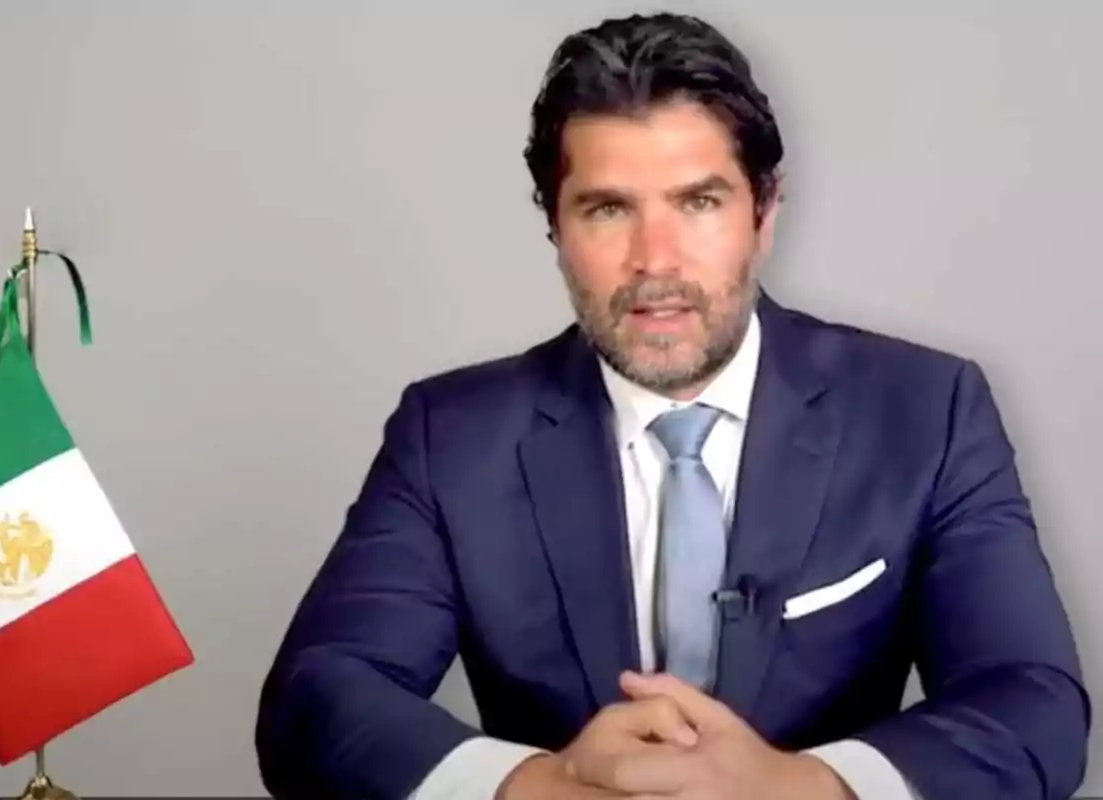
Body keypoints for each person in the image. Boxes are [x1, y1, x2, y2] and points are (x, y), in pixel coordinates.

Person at [254, 11, 1090, 800]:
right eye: (608, 208)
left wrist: (799, 789)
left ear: (764, 212)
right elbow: (317, 697)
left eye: (699, 201)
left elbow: (1031, 703)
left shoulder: (928, 411)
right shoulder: (451, 436)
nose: (656, 260)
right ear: (554, 228)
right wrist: (536, 789)